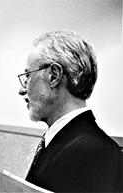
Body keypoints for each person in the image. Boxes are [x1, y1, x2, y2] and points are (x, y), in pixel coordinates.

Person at [18, 29, 123, 192]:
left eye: (28, 76)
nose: (22, 90)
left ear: (54, 76)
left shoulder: (95, 153)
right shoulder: (65, 140)